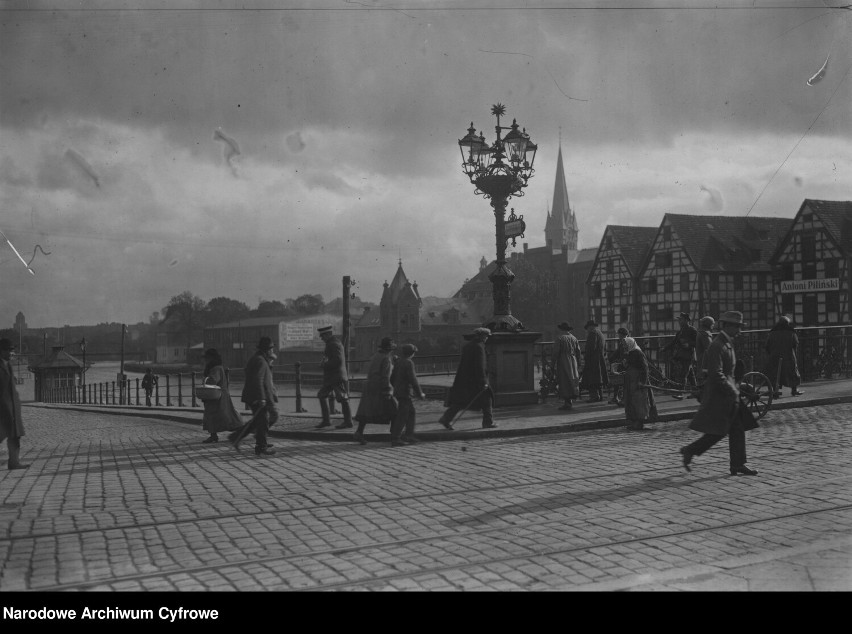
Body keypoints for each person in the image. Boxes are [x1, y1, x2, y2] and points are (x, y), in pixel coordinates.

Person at [679, 311, 759, 476]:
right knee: (720, 431)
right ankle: (690, 450)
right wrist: (732, 390)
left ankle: (737, 464)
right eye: (737, 327)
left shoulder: (726, 343)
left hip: (728, 394)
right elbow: (716, 374)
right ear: (728, 326)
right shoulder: (717, 345)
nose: (740, 331)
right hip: (721, 396)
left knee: (735, 428)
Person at [229, 336, 278, 456]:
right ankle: (261, 447)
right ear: (267, 350)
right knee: (262, 421)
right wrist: (261, 397)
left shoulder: (259, 359)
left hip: (254, 395)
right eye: (271, 349)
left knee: (258, 421)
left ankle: (236, 437)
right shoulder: (260, 361)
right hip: (257, 396)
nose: (272, 351)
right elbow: (258, 380)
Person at [439, 327, 495, 430]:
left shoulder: (468, 346)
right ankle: (488, 422)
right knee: (487, 399)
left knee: (460, 401)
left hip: (464, 379)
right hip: (476, 380)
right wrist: (483, 381)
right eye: (486, 336)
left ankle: (446, 418)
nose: (487, 338)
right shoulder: (479, 347)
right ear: (482, 336)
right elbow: (480, 365)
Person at [353, 337, 397, 444]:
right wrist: (387, 390)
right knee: (395, 409)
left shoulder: (375, 356)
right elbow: (385, 376)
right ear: (389, 349)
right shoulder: (386, 359)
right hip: (379, 387)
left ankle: (359, 432)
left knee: (367, 411)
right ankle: (395, 436)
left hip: (369, 386)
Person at [200, 348, 244, 443]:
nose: (206, 360)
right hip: (214, 395)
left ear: (211, 358)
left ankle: (241, 430)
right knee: (216, 415)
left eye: (207, 358)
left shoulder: (216, 368)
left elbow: (213, 380)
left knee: (225, 416)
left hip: (218, 396)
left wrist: (205, 380)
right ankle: (214, 435)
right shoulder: (216, 367)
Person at [316, 325, 354, 429]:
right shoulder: (333, 343)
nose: (322, 338)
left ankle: (348, 421)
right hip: (333, 377)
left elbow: (337, 361)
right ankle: (327, 421)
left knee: (342, 397)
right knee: (322, 395)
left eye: (323, 335)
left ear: (328, 334)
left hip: (336, 376)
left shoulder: (333, 344)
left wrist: (324, 365)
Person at [389, 343, 426, 446]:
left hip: (399, 392)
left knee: (411, 413)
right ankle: (396, 438)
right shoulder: (409, 363)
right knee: (403, 415)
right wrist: (420, 393)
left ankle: (408, 435)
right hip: (405, 392)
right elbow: (413, 379)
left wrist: (396, 387)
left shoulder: (398, 362)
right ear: (412, 353)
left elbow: (392, 378)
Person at [0, 338, 28, 470]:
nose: (13, 354)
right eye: (10, 351)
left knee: (15, 434)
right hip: (2, 407)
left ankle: (14, 462)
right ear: (2, 351)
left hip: (12, 406)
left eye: (13, 351)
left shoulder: (8, 365)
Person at [763, 315, 804, 398]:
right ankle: (794, 390)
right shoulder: (791, 333)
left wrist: (771, 354)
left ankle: (774, 390)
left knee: (774, 374)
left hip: (774, 357)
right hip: (788, 357)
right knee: (793, 372)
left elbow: (767, 346)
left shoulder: (772, 333)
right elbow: (795, 344)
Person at [665, 312, 698, 399]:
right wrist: (664, 348)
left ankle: (680, 393)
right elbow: (674, 342)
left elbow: (697, 342)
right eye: (679, 320)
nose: (679, 321)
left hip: (688, 355)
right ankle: (696, 392)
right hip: (682, 355)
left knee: (683, 375)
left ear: (687, 320)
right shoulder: (680, 332)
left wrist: (689, 344)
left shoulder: (692, 330)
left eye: (681, 320)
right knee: (690, 375)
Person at [622, 337, 651, 431]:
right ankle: (633, 421)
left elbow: (645, 368)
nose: (624, 347)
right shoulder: (630, 353)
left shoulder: (638, 353)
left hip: (637, 381)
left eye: (625, 345)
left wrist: (642, 381)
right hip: (631, 381)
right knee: (630, 400)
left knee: (638, 401)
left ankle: (639, 422)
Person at [554, 322, 581, 410]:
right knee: (573, 380)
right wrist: (578, 362)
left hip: (563, 361)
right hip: (573, 361)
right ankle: (571, 400)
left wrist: (552, 364)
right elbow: (578, 352)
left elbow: (556, 353)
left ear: (561, 329)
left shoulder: (560, 338)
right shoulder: (574, 338)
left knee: (564, 380)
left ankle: (567, 402)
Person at [581, 319, 608, 403]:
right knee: (599, 379)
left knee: (592, 379)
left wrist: (586, 357)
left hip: (593, 360)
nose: (587, 330)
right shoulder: (601, 334)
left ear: (590, 327)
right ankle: (600, 395)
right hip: (600, 359)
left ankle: (594, 397)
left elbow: (591, 347)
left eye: (587, 328)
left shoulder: (592, 333)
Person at [607, 327, 630, 405]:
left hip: (625, 365)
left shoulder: (626, 342)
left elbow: (626, 354)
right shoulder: (622, 341)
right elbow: (617, 352)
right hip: (622, 364)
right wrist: (611, 358)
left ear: (622, 335)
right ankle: (616, 397)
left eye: (619, 334)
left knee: (622, 382)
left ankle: (623, 398)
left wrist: (621, 361)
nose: (618, 336)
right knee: (617, 381)